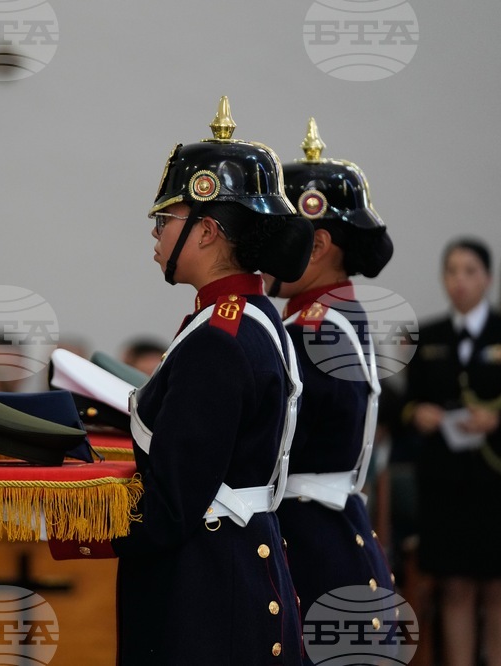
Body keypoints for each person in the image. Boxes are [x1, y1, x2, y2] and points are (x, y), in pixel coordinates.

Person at [110, 97, 314, 664]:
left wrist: (74, 514)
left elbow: (173, 506)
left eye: (165, 219)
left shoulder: (217, 343)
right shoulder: (246, 318)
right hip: (235, 569)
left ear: (207, 231)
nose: (154, 234)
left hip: (206, 593)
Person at [263, 119, 395, 660]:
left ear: (316, 244)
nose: (262, 253)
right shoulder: (340, 316)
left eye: (278, 239)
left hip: (309, 542)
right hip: (341, 529)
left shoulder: (307, 332)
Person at [403, 237, 501, 666]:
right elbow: (404, 403)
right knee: (455, 586)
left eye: (469, 271)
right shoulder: (427, 336)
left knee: (496, 587)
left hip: (494, 479)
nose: (459, 281)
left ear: (488, 278)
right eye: (451, 271)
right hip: (445, 479)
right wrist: (417, 414)